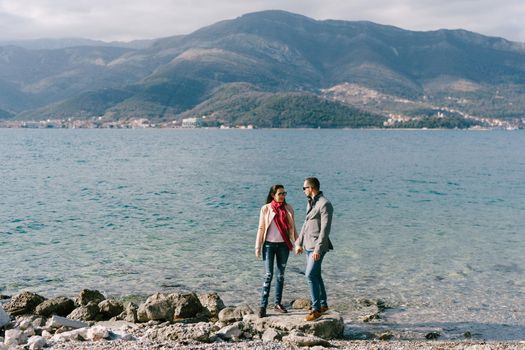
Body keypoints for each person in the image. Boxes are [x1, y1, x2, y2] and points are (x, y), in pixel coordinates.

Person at [255, 184, 298, 318]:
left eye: (284, 193)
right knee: (268, 275)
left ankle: (277, 304)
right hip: (268, 246)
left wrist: (297, 244)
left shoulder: (288, 208)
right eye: (280, 193)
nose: (283, 196)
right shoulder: (266, 209)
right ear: (273, 195)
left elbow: (292, 229)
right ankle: (263, 306)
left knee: (280, 275)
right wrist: (258, 246)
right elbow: (261, 228)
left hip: (284, 246)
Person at [295, 177, 334, 321]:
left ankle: (316, 309)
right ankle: (323, 305)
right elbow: (306, 224)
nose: (303, 191)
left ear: (311, 188)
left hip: (318, 246)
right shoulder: (311, 203)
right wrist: (298, 242)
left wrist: (318, 250)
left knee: (309, 275)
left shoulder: (325, 204)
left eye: (304, 188)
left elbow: (325, 229)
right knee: (316, 275)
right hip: (307, 245)